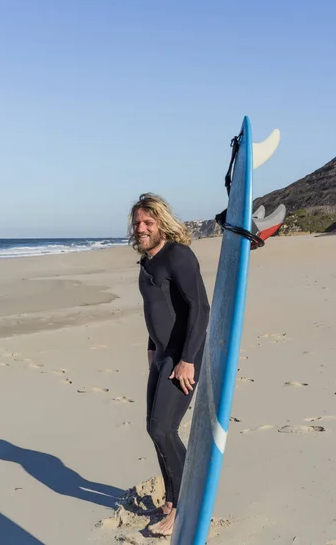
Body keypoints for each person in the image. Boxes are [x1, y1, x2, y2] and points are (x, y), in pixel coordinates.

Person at [128, 193, 210, 537]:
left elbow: (200, 309)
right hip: (162, 355)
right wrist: (151, 348)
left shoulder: (178, 256)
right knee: (154, 429)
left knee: (164, 429)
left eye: (148, 222)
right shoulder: (148, 261)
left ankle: (188, 505)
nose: (142, 228)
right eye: (137, 223)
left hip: (182, 357)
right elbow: (158, 310)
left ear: (162, 223)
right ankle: (173, 501)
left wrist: (187, 360)